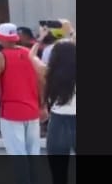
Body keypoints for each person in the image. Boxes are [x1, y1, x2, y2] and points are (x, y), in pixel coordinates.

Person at [0, 23, 45, 184]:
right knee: (33, 153)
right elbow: (41, 80)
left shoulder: (0, 57)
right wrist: (43, 105)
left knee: (18, 154)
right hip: (32, 111)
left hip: (11, 112)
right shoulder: (29, 53)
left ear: (1, 38)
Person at [30, 29, 76, 184]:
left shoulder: (48, 73)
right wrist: (72, 33)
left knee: (59, 174)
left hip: (58, 123)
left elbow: (31, 56)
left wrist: (40, 38)